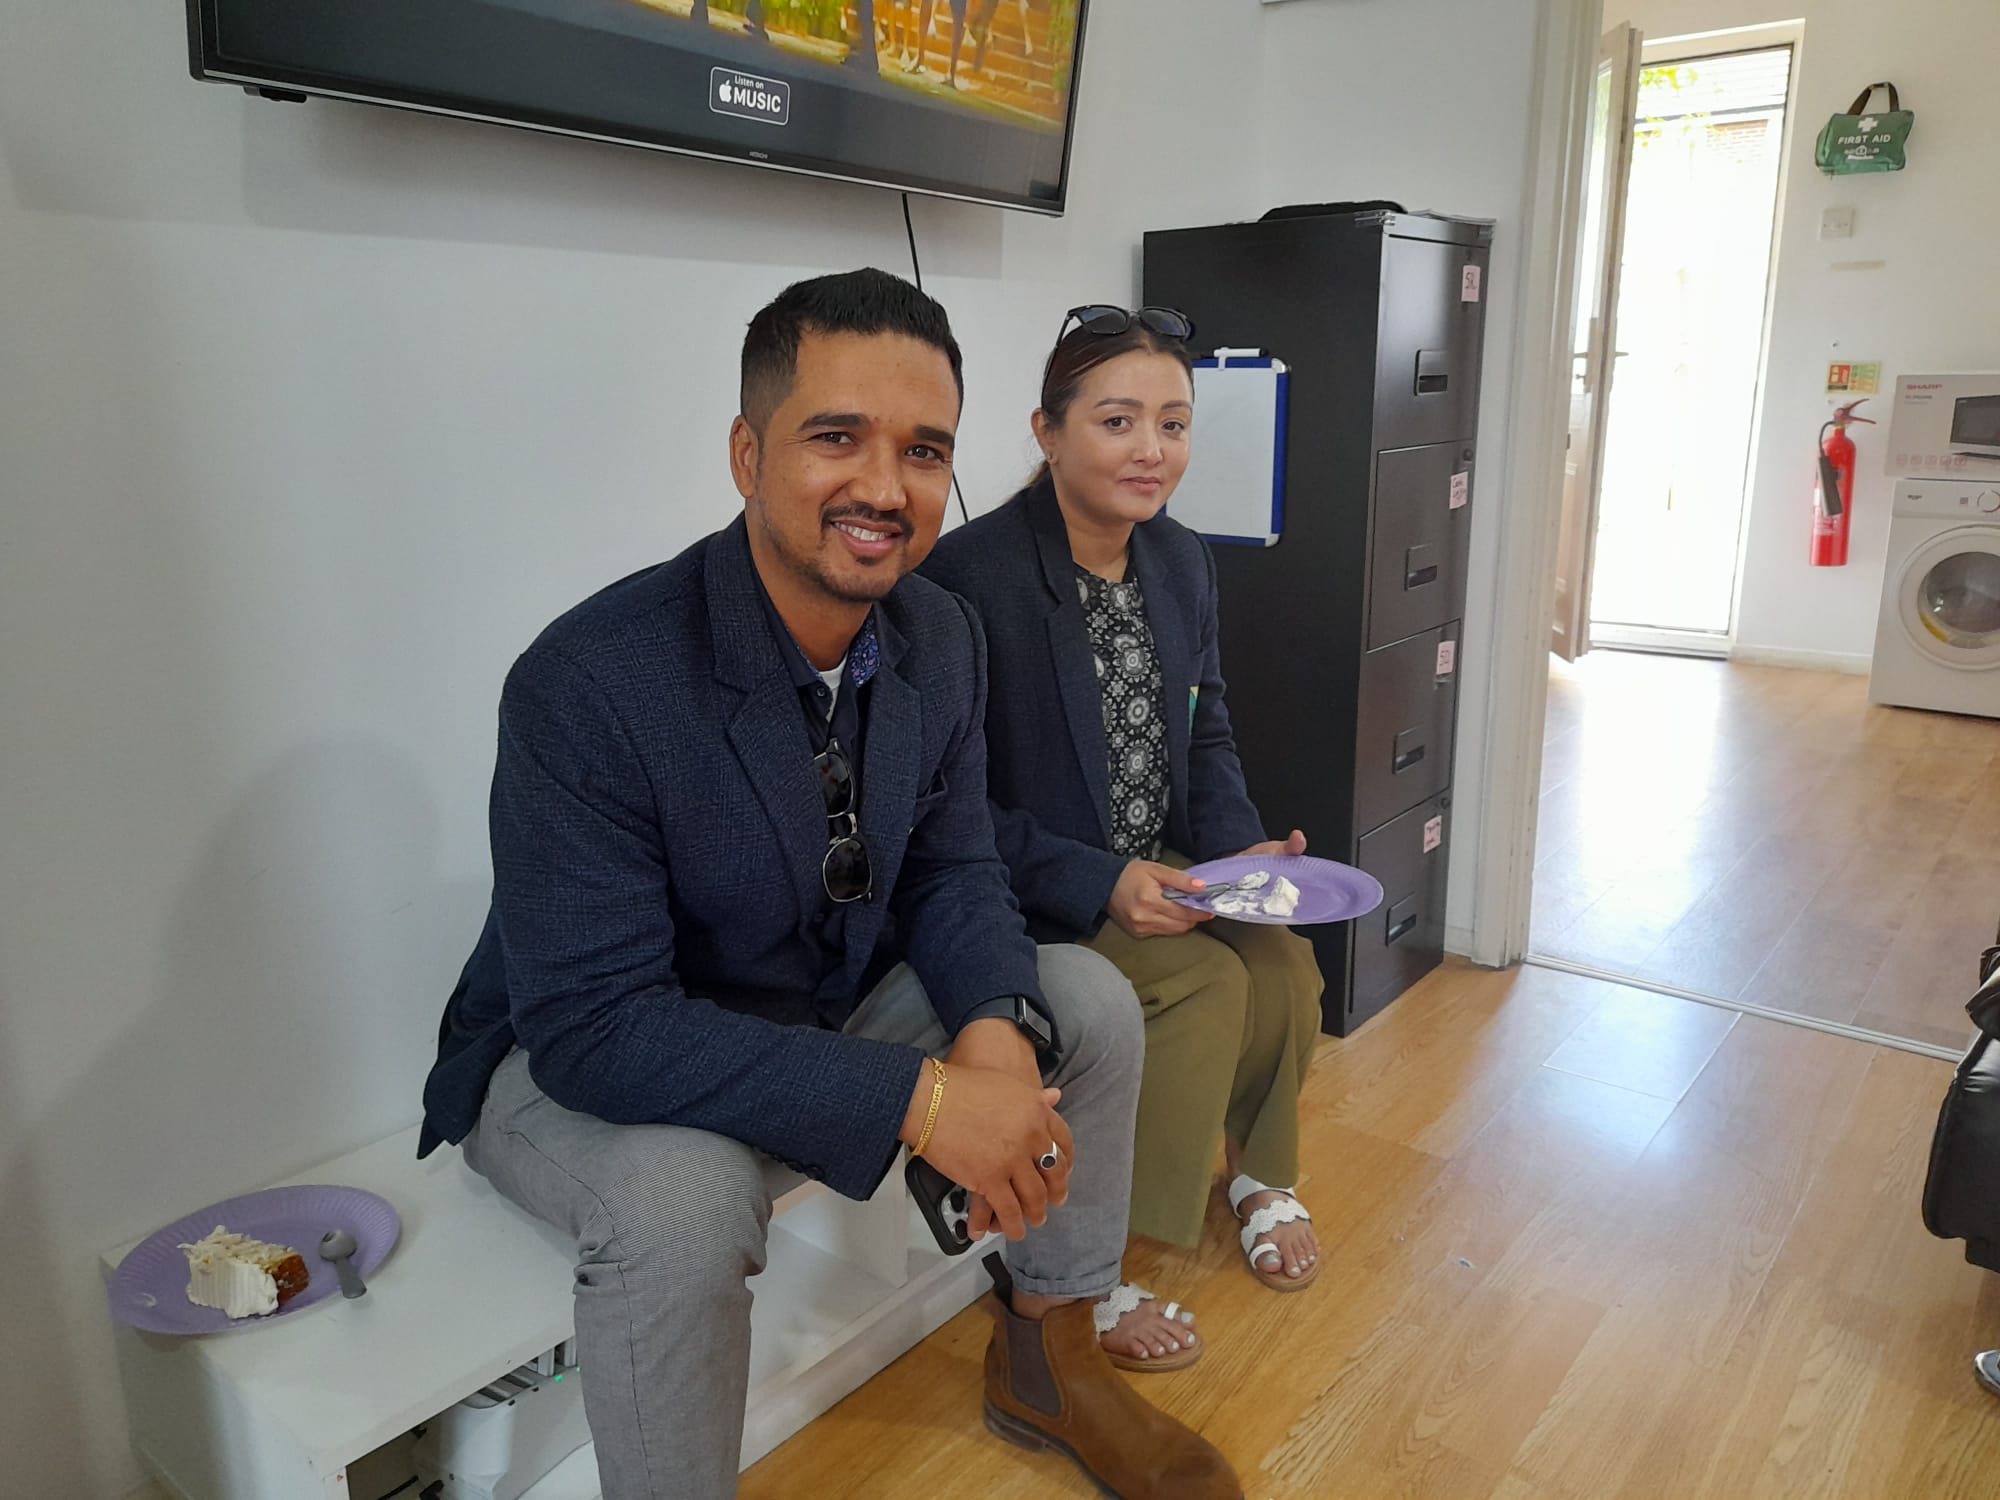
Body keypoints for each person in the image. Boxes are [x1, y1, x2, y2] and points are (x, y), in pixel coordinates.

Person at [416, 271, 1239, 1500]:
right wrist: (923, 1100)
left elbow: (955, 867)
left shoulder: (936, 636)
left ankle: (1050, 1354)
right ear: (748, 455)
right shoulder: (588, 681)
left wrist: (994, 1038)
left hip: (811, 997)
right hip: (578, 1053)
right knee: (686, 1207)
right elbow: (593, 1026)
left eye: (922, 450)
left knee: (1087, 1006)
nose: (883, 486)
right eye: (836, 437)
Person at [922, 304, 1326, 1297]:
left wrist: (1236, 860)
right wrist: (1101, 881)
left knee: (1283, 963)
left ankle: (1256, 1176)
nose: (1152, 450)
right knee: (1204, 986)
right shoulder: (969, 580)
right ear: (1048, 432)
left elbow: (1207, 731)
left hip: (1159, 866)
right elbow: (946, 808)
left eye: (1173, 424)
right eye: (1117, 422)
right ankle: (1097, 1267)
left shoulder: (1180, 559)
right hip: (1040, 887)